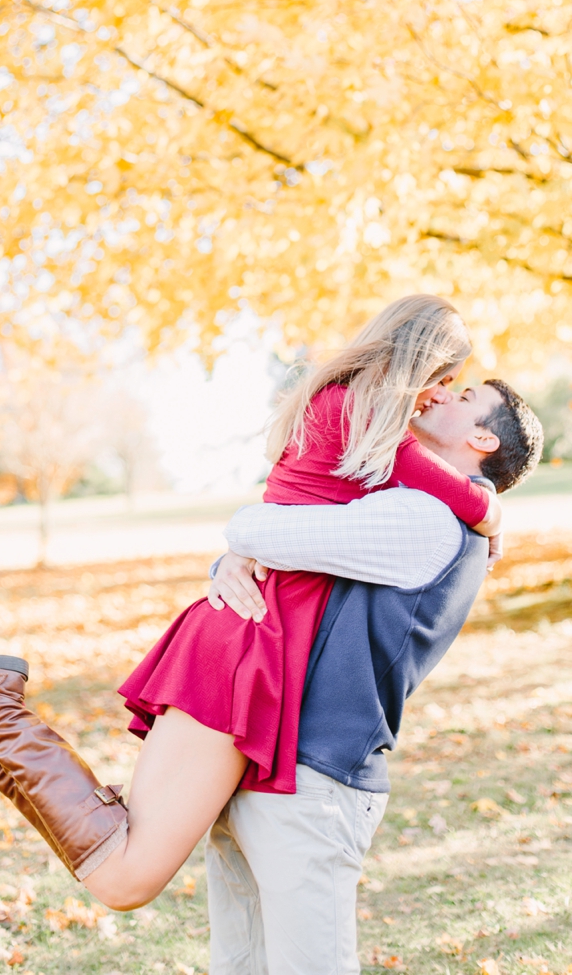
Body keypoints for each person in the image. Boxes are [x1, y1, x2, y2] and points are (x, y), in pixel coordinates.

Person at [0, 296, 503, 911]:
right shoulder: (370, 423)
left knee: (127, 853)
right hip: (253, 641)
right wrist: (494, 520)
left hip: (248, 626)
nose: (442, 395)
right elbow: (473, 503)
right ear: (417, 363)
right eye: (444, 380)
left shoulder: (338, 406)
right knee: (126, 878)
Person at [204, 378, 543, 974]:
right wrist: (233, 561)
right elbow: (288, 553)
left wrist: (240, 547)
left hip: (316, 781)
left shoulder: (428, 517)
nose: (436, 395)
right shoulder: (418, 501)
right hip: (269, 759)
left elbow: (260, 531)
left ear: (483, 437)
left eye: (462, 397)